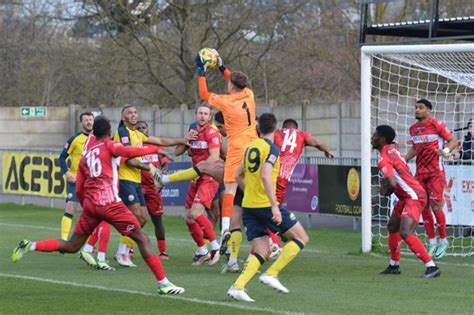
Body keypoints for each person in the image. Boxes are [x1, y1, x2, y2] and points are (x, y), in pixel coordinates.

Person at [12, 116, 185, 295]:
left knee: (72, 245)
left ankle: (31, 245)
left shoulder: (87, 155)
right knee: (142, 239)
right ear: (110, 133)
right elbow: (130, 152)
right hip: (110, 203)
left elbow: (79, 186)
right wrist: (156, 149)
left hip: (90, 205)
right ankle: (164, 283)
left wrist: (86, 203)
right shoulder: (110, 145)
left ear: (93, 132)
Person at [227, 113, 309, 302]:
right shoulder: (272, 148)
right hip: (264, 204)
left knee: (262, 250)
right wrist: (274, 206)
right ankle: (271, 273)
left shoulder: (250, 147)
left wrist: (250, 192)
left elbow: (237, 174)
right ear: (275, 129)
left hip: (248, 206)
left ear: (258, 129)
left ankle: (238, 286)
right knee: (301, 238)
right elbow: (265, 175)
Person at [113, 105, 192, 267]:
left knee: (142, 218)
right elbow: (128, 158)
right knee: (134, 216)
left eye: (135, 112)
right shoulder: (123, 133)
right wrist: (150, 167)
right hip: (124, 179)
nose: (133, 115)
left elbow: (161, 141)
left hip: (135, 181)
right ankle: (121, 252)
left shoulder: (137, 134)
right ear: (123, 117)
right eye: (130, 113)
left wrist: (182, 140)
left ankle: (122, 250)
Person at [372, 125, 441, 278]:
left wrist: (384, 191)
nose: (372, 138)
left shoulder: (383, 158)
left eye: (375, 135)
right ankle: (394, 265)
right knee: (392, 226)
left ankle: (431, 267)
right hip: (407, 195)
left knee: (405, 231)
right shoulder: (392, 150)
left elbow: (392, 183)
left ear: (382, 139)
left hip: (414, 196)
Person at [405, 99, 457, 259]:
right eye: (416, 107)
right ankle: (432, 241)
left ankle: (443, 240)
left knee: (436, 206)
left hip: (436, 173)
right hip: (420, 173)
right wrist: (404, 159)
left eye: (421, 108)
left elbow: (453, 140)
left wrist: (446, 150)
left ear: (428, 111)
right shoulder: (413, 129)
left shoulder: (436, 125)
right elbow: (415, 147)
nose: (417, 110)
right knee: (423, 207)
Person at [174, 104, 222, 266]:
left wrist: (198, 172)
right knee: (189, 218)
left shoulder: (212, 132)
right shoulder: (193, 132)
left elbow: (214, 157)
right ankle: (203, 251)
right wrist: (186, 139)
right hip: (196, 176)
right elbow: (177, 152)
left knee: (196, 213)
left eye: (205, 114)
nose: (202, 116)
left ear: (209, 117)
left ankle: (215, 247)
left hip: (209, 176)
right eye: (200, 113)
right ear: (195, 115)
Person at [136, 121, 170, 260]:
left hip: (153, 188)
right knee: (137, 219)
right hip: (137, 186)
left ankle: (162, 251)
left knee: (157, 220)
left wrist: (160, 177)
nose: (142, 130)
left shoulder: (156, 145)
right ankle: (129, 249)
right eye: (139, 128)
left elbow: (165, 164)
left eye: (144, 128)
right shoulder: (134, 146)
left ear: (147, 129)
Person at [58, 112, 94, 240]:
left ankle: (90, 244)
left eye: (90, 119)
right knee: (70, 207)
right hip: (76, 180)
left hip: (92, 181)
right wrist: (67, 172)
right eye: (86, 120)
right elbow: (62, 158)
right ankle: (63, 240)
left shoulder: (98, 139)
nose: (89, 122)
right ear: (81, 123)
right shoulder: (74, 139)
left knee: (92, 213)